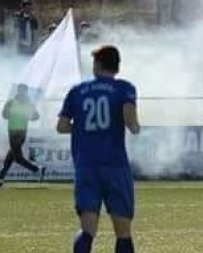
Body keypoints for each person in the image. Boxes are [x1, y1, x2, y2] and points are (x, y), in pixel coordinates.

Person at [57, 45, 140, 253]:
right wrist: (136, 127)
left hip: (86, 165)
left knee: (87, 230)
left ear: (97, 65)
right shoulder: (125, 88)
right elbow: (131, 123)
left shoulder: (77, 91)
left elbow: (62, 126)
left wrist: (83, 128)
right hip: (114, 164)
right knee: (123, 232)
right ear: (117, 66)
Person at [0, 84, 43, 187]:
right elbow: (4, 115)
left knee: (17, 157)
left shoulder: (28, 104)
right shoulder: (11, 103)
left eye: (23, 90)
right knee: (11, 156)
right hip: (14, 131)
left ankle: (37, 169)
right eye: (20, 90)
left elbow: (36, 117)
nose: (21, 92)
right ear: (18, 91)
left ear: (25, 92)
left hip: (19, 132)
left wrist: (28, 115)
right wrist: (12, 113)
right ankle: (0, 178)